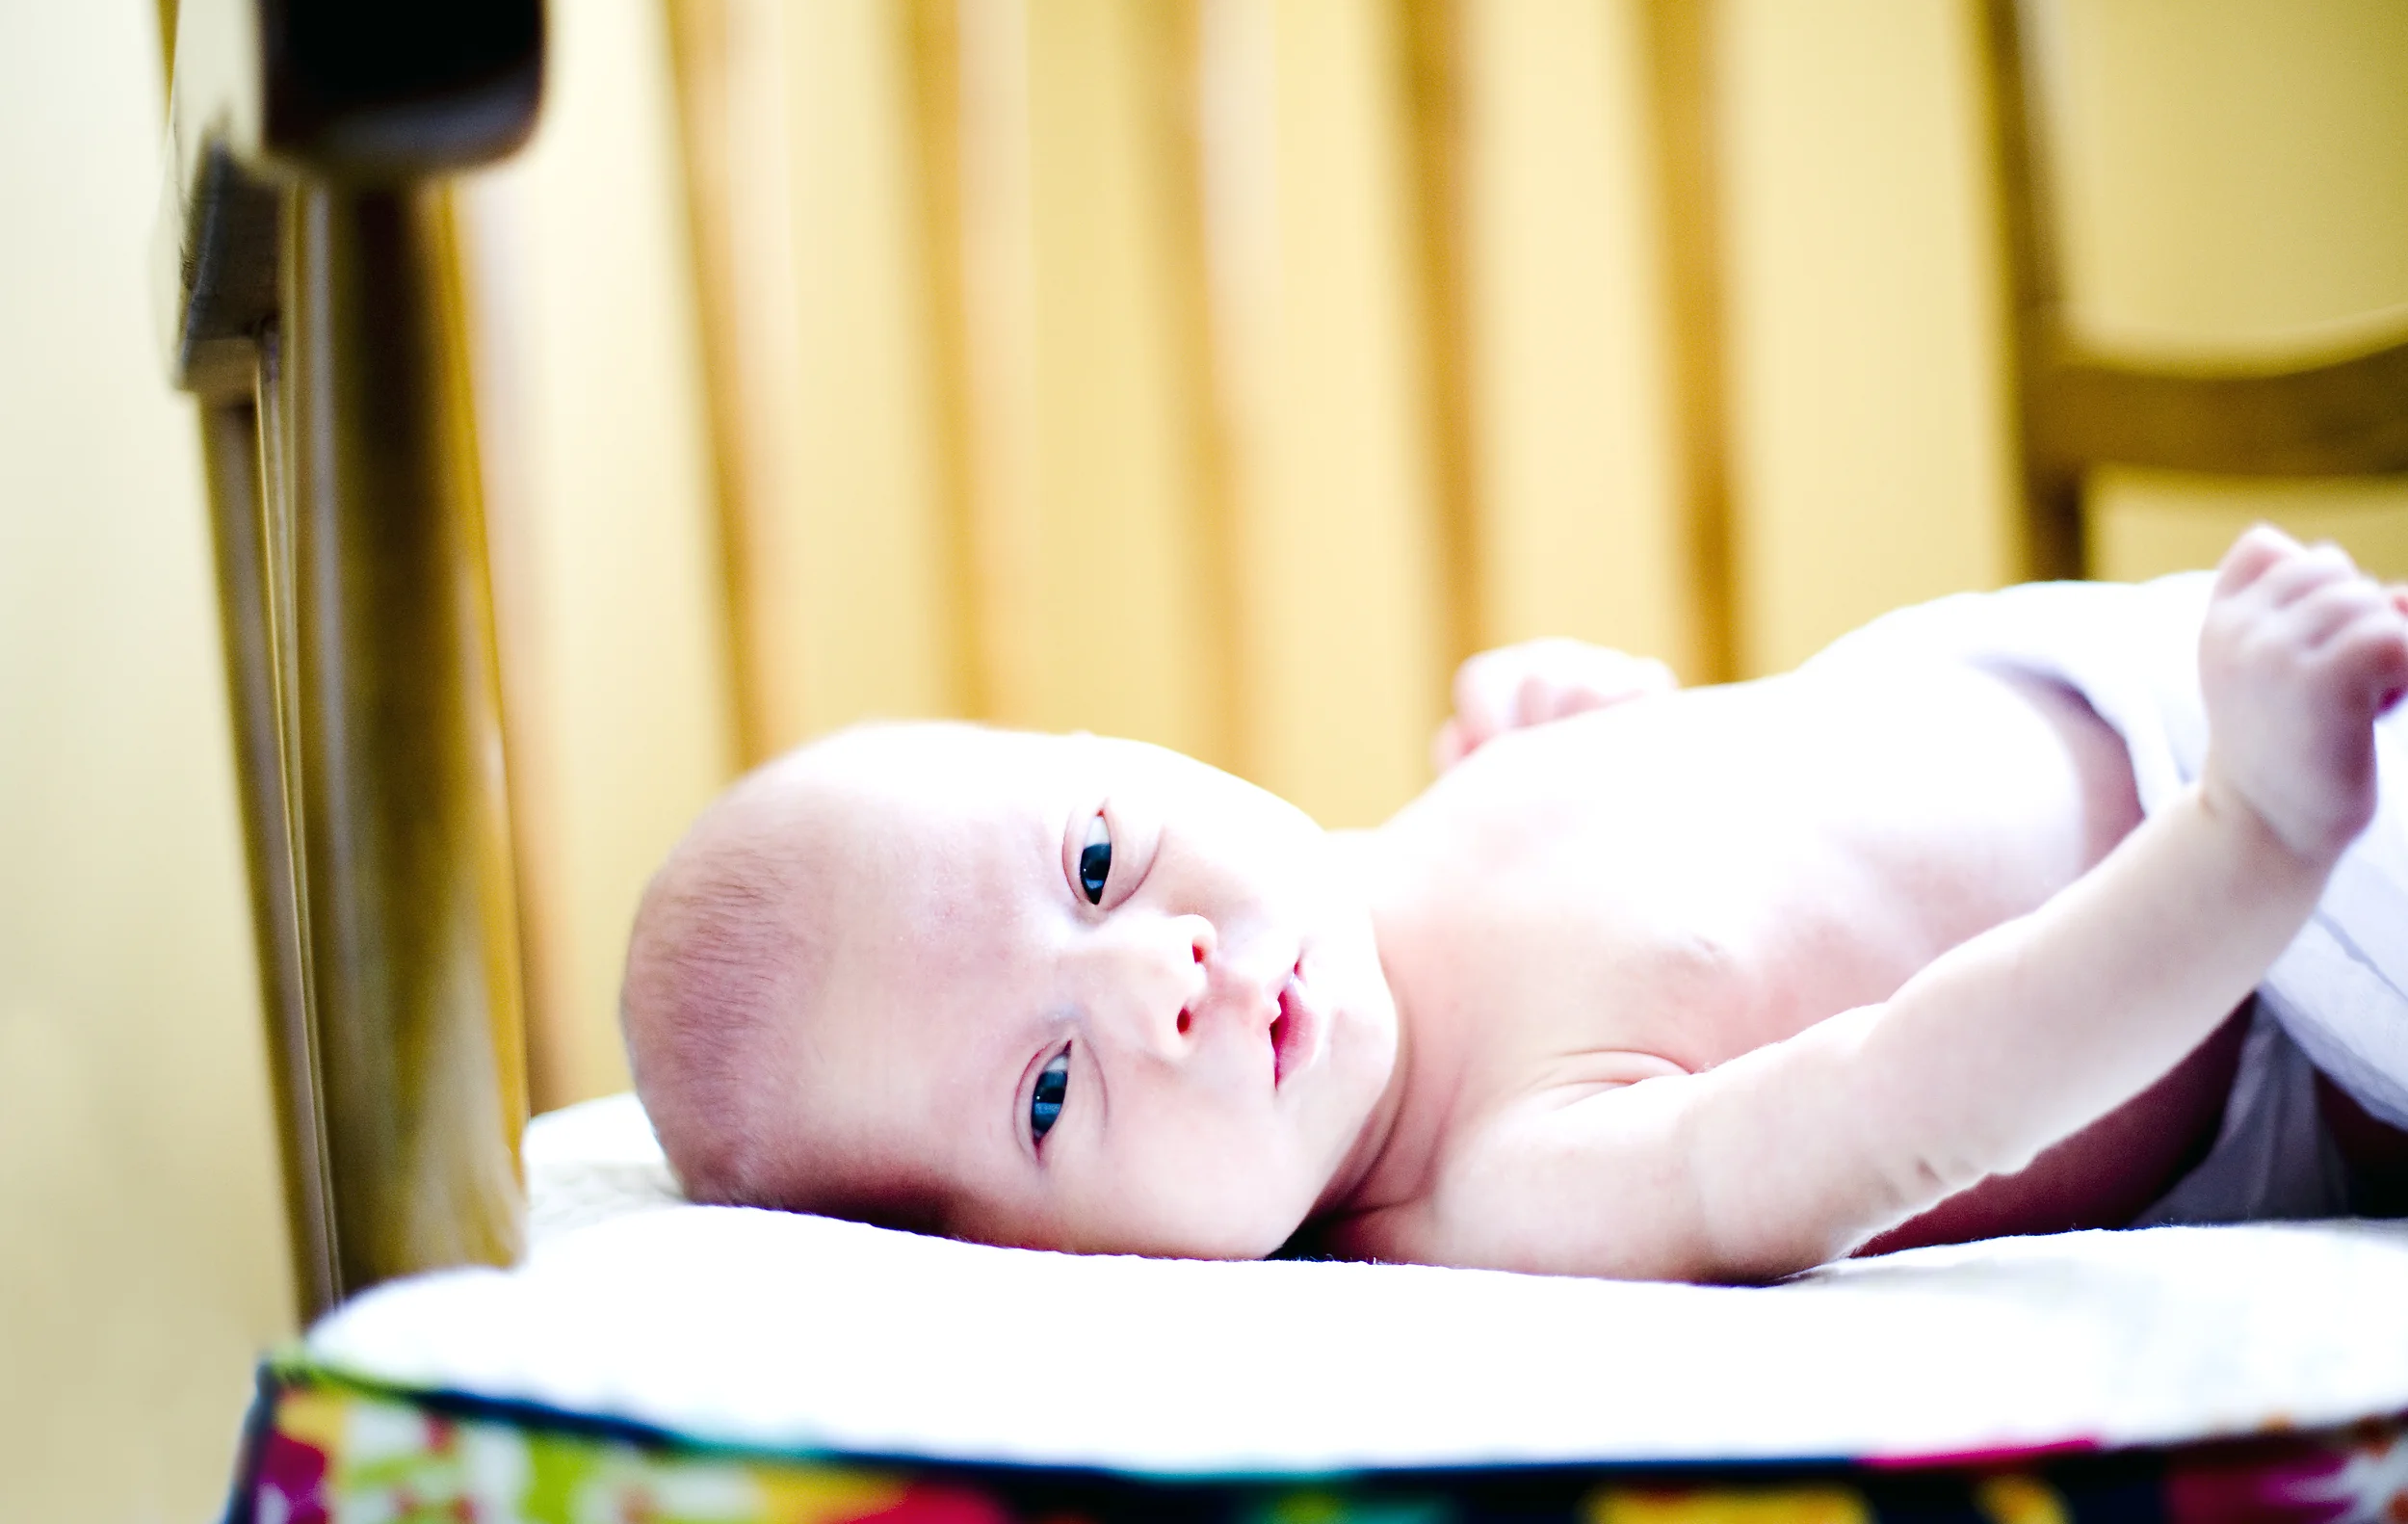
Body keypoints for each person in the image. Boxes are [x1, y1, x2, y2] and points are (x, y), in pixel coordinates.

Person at [620, 526, 2408, 1282]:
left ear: (1121, 749)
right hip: (2275, 969)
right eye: (1046, 1091)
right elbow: (1914, 1096)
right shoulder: (1509, 1181)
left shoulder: (1401, 852)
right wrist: (2250, 840)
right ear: (1047, 1270)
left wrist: (1599, 733)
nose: (1160, 977)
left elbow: (1733, 872)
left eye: (1095, 864)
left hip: (2106, 666)